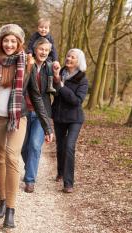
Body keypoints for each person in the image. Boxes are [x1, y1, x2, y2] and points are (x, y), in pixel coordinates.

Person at [0, 24, 53, 229]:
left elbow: (36, 96)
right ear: (1, 41)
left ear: (19, 43)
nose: (9, 44)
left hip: (17, 118)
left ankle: (11, 211)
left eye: (14, 41)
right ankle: (2, 202)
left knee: (12, 158)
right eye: (6, 40)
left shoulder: (27, 63)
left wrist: (46, 125)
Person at [52, 48, 88, 193]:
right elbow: (53, 91)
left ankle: (68, 183)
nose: (69, 59)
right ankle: (60, 171)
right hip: (59, 116)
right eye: (68, 56)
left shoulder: (82, 79)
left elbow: (76, 101)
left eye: (73, 57)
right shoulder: (59, 73)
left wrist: (60, 85)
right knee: (60, 146)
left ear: (78, 61)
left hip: (75, 118)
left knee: (69, 146)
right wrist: (55, 80)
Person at [21, 38, 54, 193]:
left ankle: (30, 180)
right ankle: (30, 168)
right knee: (23, 147)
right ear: (35, 49)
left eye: (47, 50)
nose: (44, 53)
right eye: (41, 49)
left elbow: (56, 89)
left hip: (42, 113)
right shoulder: (27, 64)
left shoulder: (50, 67)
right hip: (24, 111)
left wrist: (58, 75)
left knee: (34, 145)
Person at [26, 18, 58, 93]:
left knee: (50, 66)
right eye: (41, 27)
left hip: (47, 57)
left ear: (49, 29)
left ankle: (50, 84)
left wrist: (55, 60)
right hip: (34, 56)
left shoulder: (50, 38)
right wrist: (30, 54)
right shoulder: (34, 36)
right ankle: (29, 82)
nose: (43, 30)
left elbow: (53, 50)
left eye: (46, 28)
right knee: (31, 65)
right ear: (37, 28)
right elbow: (30, 46)